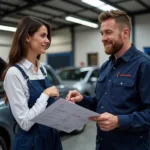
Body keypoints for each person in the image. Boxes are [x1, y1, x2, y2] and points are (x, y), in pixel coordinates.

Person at [66, 10, 150, 150]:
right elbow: (101, 104)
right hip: (103, 145)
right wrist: (83, 100)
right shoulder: (106, 66)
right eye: (102, 33)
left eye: (108, 32)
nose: (103, 38)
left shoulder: (144, 65)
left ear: (125, 33)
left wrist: (119, 121)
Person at [3, 16, 62, 150]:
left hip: (51, 139)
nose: (47, 41)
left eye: (47, 36)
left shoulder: (42, 69)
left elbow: (45, 109)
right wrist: (46, 94)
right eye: (42, 35)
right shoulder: (14, 73)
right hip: (31, 144)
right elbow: (25, 123)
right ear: (27, 37)